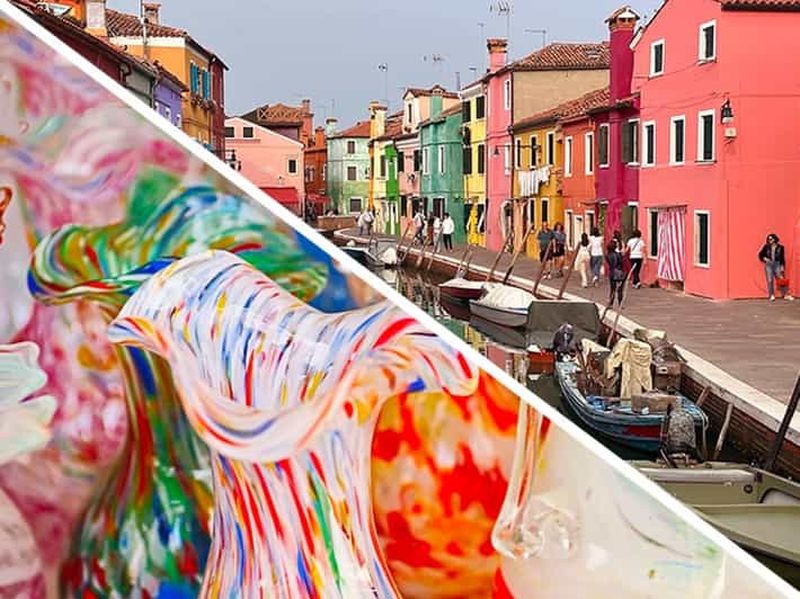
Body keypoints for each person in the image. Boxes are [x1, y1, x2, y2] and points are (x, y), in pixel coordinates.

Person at [758, 233, 793, 301]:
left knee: (781, 279)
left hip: (777, 264)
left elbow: (782, 258)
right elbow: (760, 255)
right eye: (768, 239)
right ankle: (771, 295)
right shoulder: (766, 247)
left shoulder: (781, 247)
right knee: (770, 280)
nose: (769, 240)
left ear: (775, 239)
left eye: (771, 239)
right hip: (769, 264)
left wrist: (782, 266)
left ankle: (786, 295)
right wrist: (764, 258)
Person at [606, 239, 627, 306]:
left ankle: (611, 303)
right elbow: (621, 263)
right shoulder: (618, 255)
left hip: (612, 273)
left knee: (612, 289)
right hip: (619, 272)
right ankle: (620, 303)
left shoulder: (607, 255)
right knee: (620, 289)